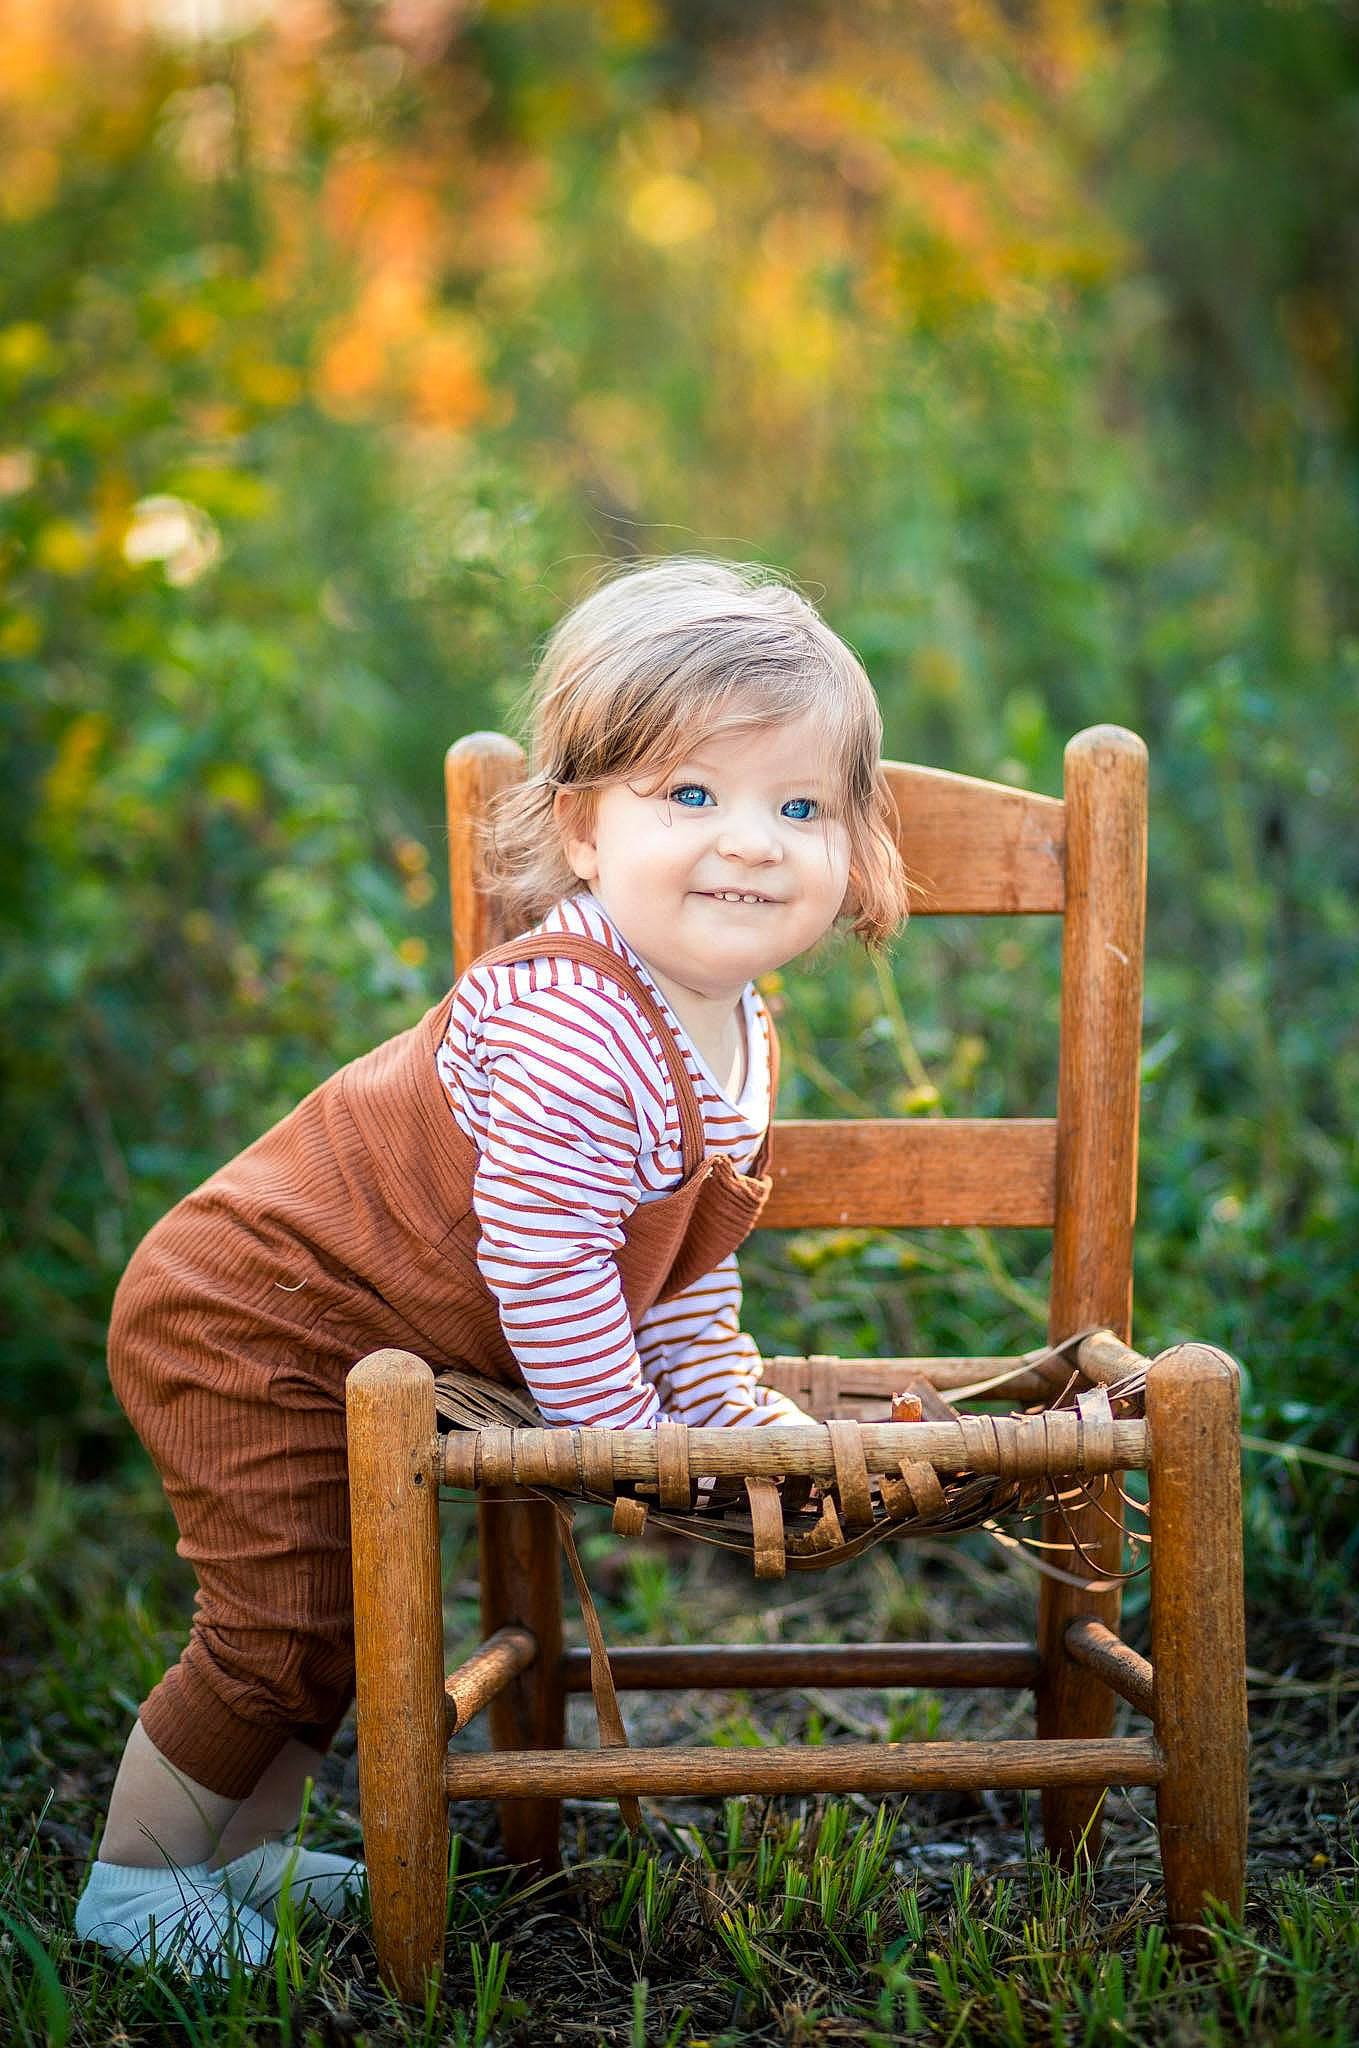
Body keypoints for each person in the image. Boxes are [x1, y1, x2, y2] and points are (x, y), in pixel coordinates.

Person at [75, 555, 908, 1973]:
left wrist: (717, 1399)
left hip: (379, 1332)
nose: (754, 842)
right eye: (690, 796)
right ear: (582, 832)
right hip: (253, 1312)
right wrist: (620, 1444)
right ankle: (137, 1880)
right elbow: (548, 1272)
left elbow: (678, 1261)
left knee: (334, 1621)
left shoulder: (730, 1017)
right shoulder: (573, 1020)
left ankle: (246, 1851)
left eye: (800, 806)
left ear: (852, 845)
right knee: (281, 1619)